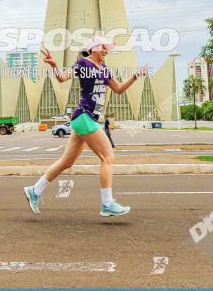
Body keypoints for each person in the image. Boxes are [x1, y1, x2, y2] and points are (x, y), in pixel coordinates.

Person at [24, 36, 144, 217]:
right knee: (108, 157)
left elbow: (118, 89)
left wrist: (135, 76)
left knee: (67, 162)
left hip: (89, 119)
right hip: (83, 117)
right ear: (95, 48)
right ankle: (107, 204)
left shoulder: (104, 69)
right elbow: (63, 78)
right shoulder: (83, 64)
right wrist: (54, 65)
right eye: (104, 48)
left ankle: (35, 190)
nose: (107, 51)